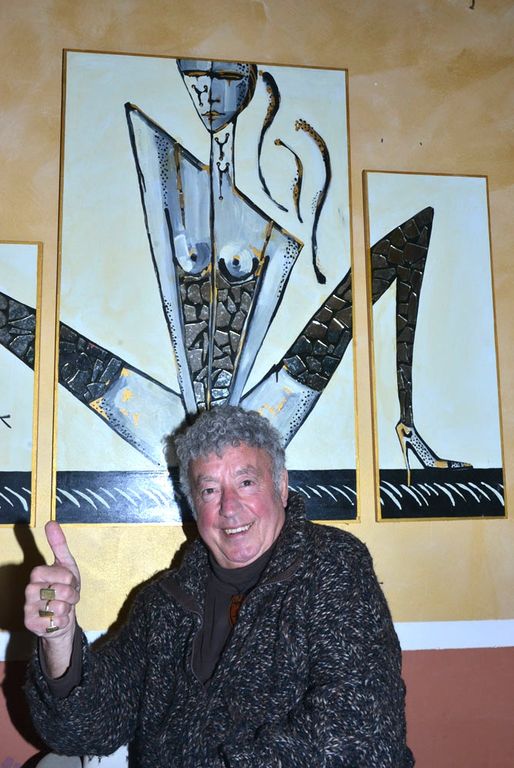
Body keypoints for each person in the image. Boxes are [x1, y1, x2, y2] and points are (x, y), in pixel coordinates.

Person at [25, 405, 414, 766]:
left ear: (281, 487)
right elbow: (87, 730)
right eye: (210, 490)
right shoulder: (163, 603)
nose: (229, 507)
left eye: (246, 482)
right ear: (194, 505)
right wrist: (58, 639)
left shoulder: (333, 565)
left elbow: (359, 732)